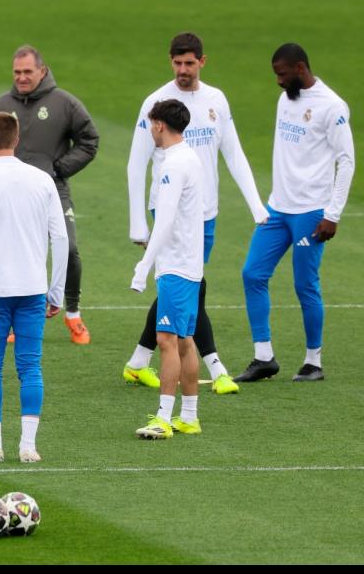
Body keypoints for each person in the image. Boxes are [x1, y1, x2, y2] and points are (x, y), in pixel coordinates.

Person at [124, 32, 269, 395]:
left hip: (206, 213)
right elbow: (136, 163)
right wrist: (138, 223)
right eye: (177, 63)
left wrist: (256, 204)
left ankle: (138, 361)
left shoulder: (216, 100)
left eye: (189, 63)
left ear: (202, 62)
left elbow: (234, 154)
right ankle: (216, 367)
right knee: (192, 286)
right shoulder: (156, 102)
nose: (183, 70)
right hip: (168, 211)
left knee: (184, 286)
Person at [235, 43, 355, 383]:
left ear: (300, 68)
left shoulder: (332, 107)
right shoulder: (285, 99)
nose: (278, 80)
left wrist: (333, 214)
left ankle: (313, 362)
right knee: (252, 274)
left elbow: (346, 161)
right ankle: (264, 357)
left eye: (282, 74)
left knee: (304, 284)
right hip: (277, 208)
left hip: (311, 212)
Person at [0, 112, 68, 462]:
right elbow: (60, 238)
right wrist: (57, 290)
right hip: (32, 288)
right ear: (16, 140)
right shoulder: (42, 180)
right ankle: (28, 446)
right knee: (30, 366)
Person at [0, 45, 98, 345]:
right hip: (10, 194)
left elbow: (89, 140)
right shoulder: (1, 105)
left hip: (53, 190)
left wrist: (59, 169)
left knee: (69, 248)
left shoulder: (64, 103)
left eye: (27, 72)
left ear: (42, 71)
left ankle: (73, 314)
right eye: (17, 72)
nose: (21, 77)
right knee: (11, 252)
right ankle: (13, 320)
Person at [131, 100, 204, 440]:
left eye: (151, 124)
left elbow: (165, 220)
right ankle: (188, 417)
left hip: (175, 265)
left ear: (160, 124)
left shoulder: (173, 164)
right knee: (185, 340)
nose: (150, 131)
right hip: (189, 263)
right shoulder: (190, 158)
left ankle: (163, 418)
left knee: (166, 340)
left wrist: (144, 265)